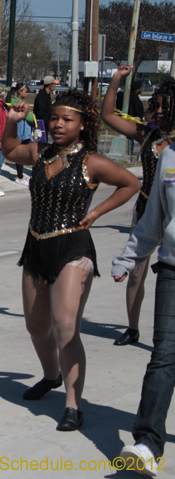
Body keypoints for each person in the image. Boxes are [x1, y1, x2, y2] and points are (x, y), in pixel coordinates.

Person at [2, 92, 139, 431]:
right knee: (36, 326)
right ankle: (52, 376)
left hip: (73, 250)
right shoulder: (39, 151)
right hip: (36, 246)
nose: (59, 124)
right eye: (55, 118)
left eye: (68, 120)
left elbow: (130, 183)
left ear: (82, 125)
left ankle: (73, 406)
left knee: (65, 327)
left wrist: (95, 213)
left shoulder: (91, 161)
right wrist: (11, 123)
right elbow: (7, 150)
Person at [111, 77, 175, 476]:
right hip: (172, 269)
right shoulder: (170, 159)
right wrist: (128, 255)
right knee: (164, 356)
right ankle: (147, 444)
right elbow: (154, 220)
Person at [104, 68, 174, 346]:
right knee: (136, 273)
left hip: (172, 213)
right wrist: (115, 82)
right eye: (153, 106)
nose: (156, 111)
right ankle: (132, 328)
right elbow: (108, 116)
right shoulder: (147, 135)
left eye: (161, 107)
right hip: (146, 208)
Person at [10, 83, 33, 186]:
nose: (26, 93)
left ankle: (21, 175)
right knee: (20, 155)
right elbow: (29, 118)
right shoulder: (17, 103)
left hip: (23, 133)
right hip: (20, 133)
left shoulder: (18, 102)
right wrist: (32, 115)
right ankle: (19, 176)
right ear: (19, 92)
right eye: (25, 91)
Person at [33, 76, 57, 144]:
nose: (55, 86)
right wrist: (48, 125)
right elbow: (41, 113)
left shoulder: (47, 95)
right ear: (50, 85)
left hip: (44, 126)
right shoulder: (42, 96)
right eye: (54, 84)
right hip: (41, 127)